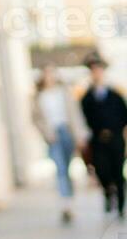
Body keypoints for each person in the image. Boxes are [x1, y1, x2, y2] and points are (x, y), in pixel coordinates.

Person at [30, 64, 86, 224]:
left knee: (68, 169)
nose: (50, 77)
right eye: (47, 74)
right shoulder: (38, 96)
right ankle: (65, 205)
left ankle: (70, 200)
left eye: (52, 73)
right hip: (52, 135)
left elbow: (75, 114)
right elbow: (35, 119)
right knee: (60, 169)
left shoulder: (64, 93)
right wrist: (46, 134)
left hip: (66, 132)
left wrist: (80, 135)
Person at [80, 53, 127, 220]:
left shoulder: (115, 95)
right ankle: (108, 192)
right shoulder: (87, 98)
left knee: (118, 170)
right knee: (102, 170)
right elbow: (83, 118)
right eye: (93, 70)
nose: (96, 73)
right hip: (98, 140)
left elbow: (124, 115)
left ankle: (121, 205)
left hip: (115, 138)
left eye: (99, 70)